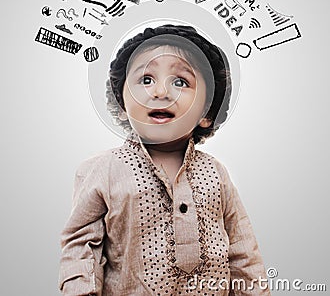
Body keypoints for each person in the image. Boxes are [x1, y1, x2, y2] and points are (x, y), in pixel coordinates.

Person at [59, 24, 270, 295]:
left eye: (180, 82)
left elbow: (244, 253)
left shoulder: (216, 173)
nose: (160, 92)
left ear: (207, 112)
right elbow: (81, 248)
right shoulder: (102, 171)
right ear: (122, 105)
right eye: (146, 80)